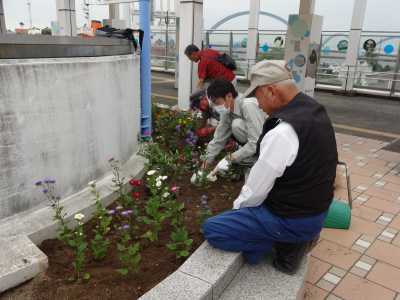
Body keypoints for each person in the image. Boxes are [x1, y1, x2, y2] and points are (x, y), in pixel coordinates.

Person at [203, 60, 338, 274]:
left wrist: (237, 211)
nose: (258, 104)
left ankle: (283, 247)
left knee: (213, 229)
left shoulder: (282, 132)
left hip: (292, 219)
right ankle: (284, 242)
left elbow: (255, 191)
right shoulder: (314, 109)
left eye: (257, 97)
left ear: (271, 91)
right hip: (317, 209)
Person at [202, 78, 267, 172]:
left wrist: (230, 158)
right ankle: (250, 155)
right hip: (257, 142)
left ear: (229, 96)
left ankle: (256, 157)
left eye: (216, 102)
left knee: (237, 125)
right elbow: (218, 139)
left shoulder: (247, 105)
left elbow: (255, 142)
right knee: (235, 125)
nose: (215, 107)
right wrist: (204, 166)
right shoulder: (227, 111)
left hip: (268, 143)